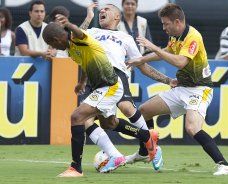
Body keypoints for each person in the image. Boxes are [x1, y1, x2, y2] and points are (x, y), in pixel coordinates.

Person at [42, 15, 159, 176]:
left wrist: (69, 23)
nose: (52, 47)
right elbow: (86, 63)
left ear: (56, 39)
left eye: (51, 44)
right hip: (102, 86)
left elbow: (79, 32)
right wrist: (82, 82)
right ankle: (146, 136)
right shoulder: (71, 49)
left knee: (77, 117)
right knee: (108, 123)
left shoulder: (77, 38)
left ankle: (76, 168)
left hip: (110, 86)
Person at [126, 3, 228, 176]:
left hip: (200, 89)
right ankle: (145, 152)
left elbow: (180, 62)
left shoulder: (193, 37)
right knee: (144, 111)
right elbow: (167, 50)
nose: (163, 28)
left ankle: (224, 165)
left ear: (177, 22)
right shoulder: (176, 35)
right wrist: (141, 59)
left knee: (192, 128)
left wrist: (152, 47)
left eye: (165, 24)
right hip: (182, 87)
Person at [80, 3, 171, 170]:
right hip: (96, 79)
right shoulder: (92, 33)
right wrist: (88, 19)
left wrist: (167, 80)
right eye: (102, 10)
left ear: (117, 17)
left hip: (116, 76)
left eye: (107, 9)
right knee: (105, 123)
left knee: (126, 106)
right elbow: (75, 39)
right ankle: (133, 148)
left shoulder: (125, 38)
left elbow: (142, 66)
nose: (103, 11)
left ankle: (151, 148)